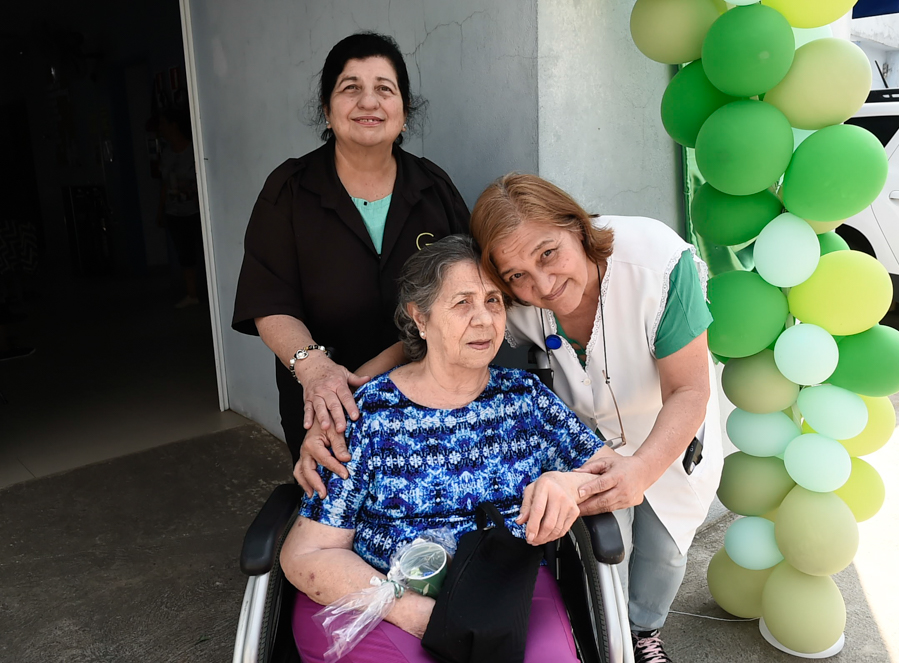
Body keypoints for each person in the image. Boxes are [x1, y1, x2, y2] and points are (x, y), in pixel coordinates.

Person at [280, 235, 616, 663]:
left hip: (504, 594)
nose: (484, 320)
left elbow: (613, 472)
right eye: (462, 303)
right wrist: (418, 614)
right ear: (420, 318)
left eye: (493, 301)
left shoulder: (524, 400)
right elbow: (308, 552)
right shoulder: (370, 415)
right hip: (380, 596)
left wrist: (570, 485)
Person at [469, 174, 724, 663]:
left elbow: (689, 390)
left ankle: (644, 632)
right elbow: (444, 328)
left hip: (668, 428)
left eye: (548, 254)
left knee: (666, 551)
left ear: (577, 226)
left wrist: (642, 470)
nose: (543, 285)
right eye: (517, 275)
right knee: (607, 556)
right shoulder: (512, 296)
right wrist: (346, 380)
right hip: (590, 441)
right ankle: (609, 641)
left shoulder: (657, 261)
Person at [232, 33, 469, 466]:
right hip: (325, 406)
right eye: (351, 87)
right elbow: (269, 301)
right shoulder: (289, 190)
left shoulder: (434, 189)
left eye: (384, 88)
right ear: (327, 108)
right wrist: (315, 369)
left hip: (431, 394)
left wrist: (373, 373)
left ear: (404, 110)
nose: (368, 101)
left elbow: (465, 298)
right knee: (336, 499)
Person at [156, 106, 204, 309]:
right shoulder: (167, 154)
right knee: (184, 253)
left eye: (163, 123)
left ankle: (212, 292)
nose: (160, 128)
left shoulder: (194, 150)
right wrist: (161, 210)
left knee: (203, 250)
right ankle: (192, 294)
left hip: (195, 211)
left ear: (173, 125)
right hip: (175, 211)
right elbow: (165, 184)